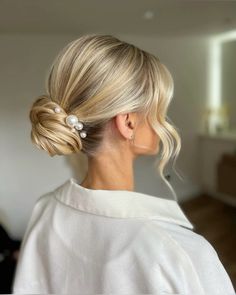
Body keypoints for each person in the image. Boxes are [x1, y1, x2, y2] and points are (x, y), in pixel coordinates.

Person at [12, 34, 235, 294]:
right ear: (128, 123)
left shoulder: (45, 210)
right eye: (159, 110)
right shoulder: (180, 253)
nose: (163, 123)